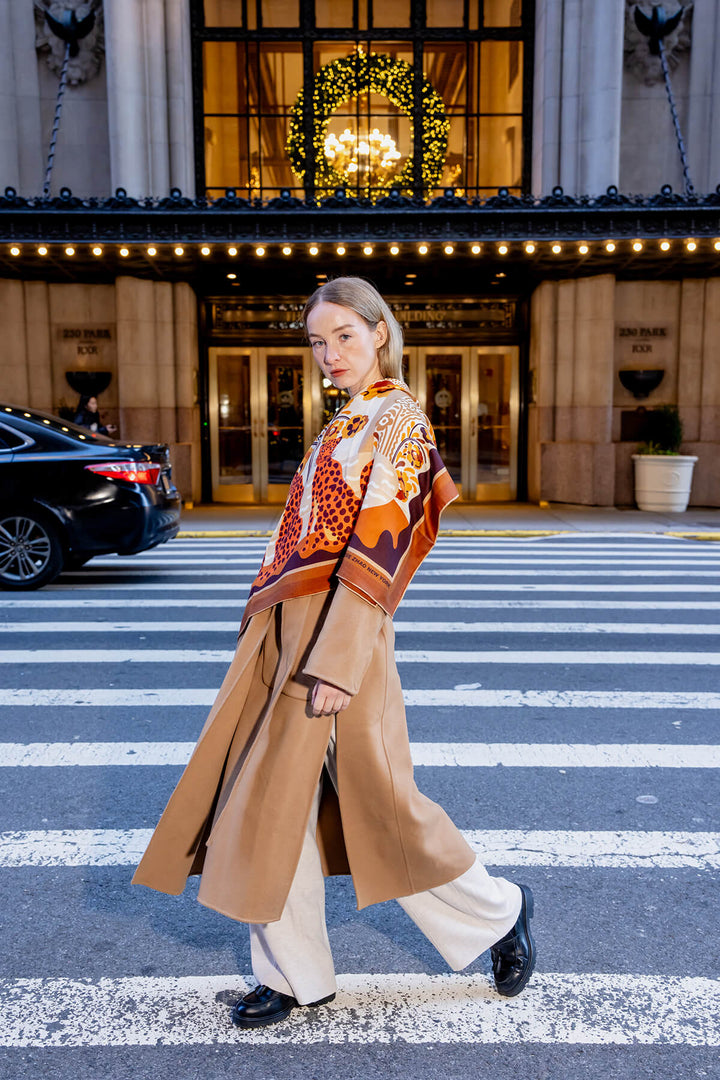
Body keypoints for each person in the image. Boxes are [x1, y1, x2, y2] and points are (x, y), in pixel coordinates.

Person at [132, 276, 535, 1028]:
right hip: (289, 633)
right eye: (318, 341)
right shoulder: (341, 422)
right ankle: (292, 975)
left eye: (344, 334)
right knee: (264, 801)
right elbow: (298, 533)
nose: (329, 353)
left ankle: (500, 912)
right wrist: (263, 629)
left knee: (384, 810)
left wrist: (338, 662)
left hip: (342, 638)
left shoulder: (399, 419)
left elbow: (381, 547)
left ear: (380, 331)